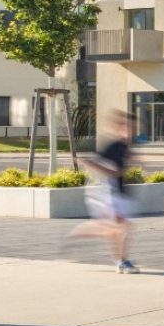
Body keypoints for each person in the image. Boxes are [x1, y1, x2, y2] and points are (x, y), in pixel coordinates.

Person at [68, 111, 139, 274]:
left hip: (120, 192)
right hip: (110, 193)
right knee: (121, 227)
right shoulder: (113, 146)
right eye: (129, 127)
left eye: (134, 128)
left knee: (119, 228)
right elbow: (92, 162)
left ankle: (120, 260)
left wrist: (131, 160)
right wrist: (114, 172)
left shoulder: (124, 145)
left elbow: (124, 163)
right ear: (120, 127)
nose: (132, 131)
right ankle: (121, 261)